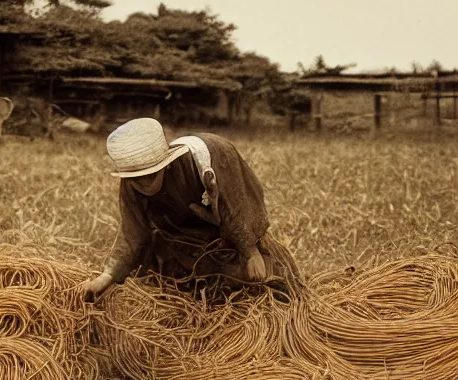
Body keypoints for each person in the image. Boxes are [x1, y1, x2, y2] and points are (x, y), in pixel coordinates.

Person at [82, 118, 299, 302]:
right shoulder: (131, 181)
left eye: (150, 175)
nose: (144, 185)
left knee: (266, 284)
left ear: (166, 163)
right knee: (170, 294)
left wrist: (250, 251)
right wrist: (107, 276)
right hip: (177, 242)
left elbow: (238, 203)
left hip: (224, 236)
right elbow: (133, 233)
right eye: (137, 180)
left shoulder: (210, 155)